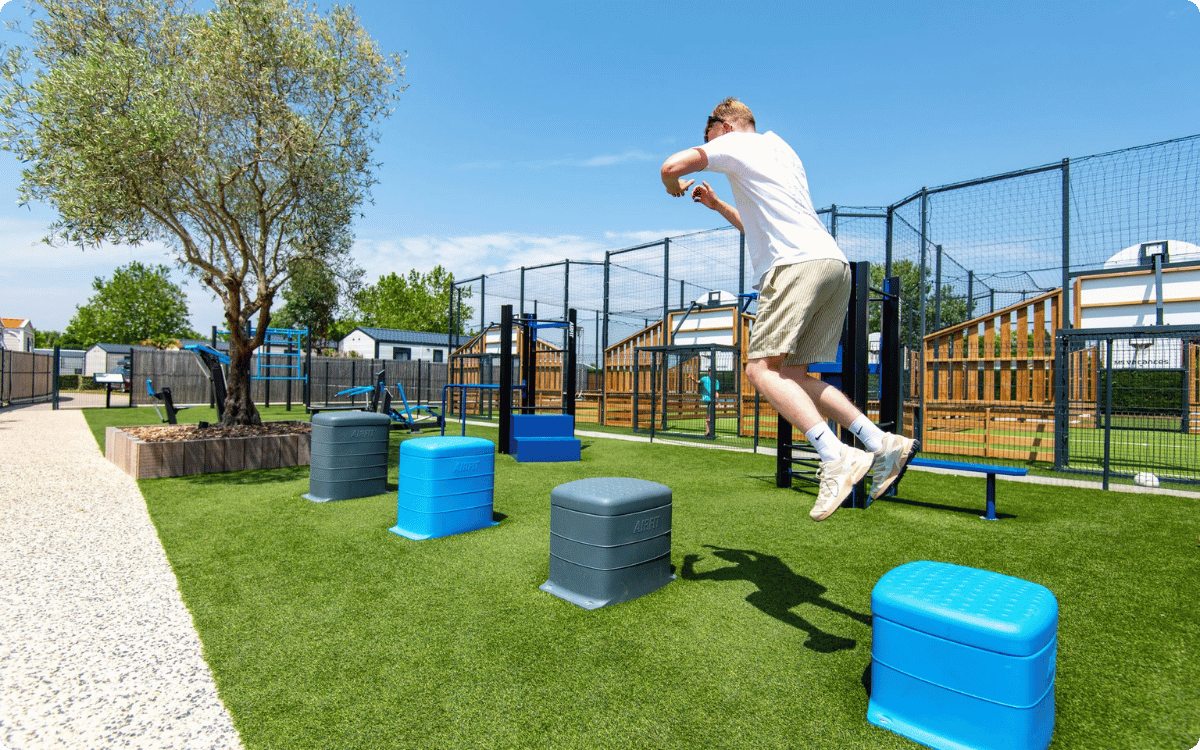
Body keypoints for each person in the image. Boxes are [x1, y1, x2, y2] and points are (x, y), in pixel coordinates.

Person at [659, 97, 919, 521]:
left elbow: (673, 166)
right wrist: (718, 205)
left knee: (760, 370)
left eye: (707, 136)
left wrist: (671, 182)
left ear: (723, 126)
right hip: (832, 266)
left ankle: (835, 454)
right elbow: (758, 226)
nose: (708, 145)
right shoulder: (782, 152)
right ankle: (880, 442)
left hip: (794, 267)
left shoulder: (736, 144)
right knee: (795, 375)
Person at [687, 370, 718, 437]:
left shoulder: (716, 381)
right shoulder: (705, 378)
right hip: (705, 397)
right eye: (709, 371)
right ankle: (709, 417)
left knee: (709, 416)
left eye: (712, 371)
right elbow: (697, 382)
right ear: (708, 372)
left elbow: (716, 392)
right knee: (710, 402)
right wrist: (693, 379)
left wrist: (718, 402)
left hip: (712, 399)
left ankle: (707, 432)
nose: (710, 372)